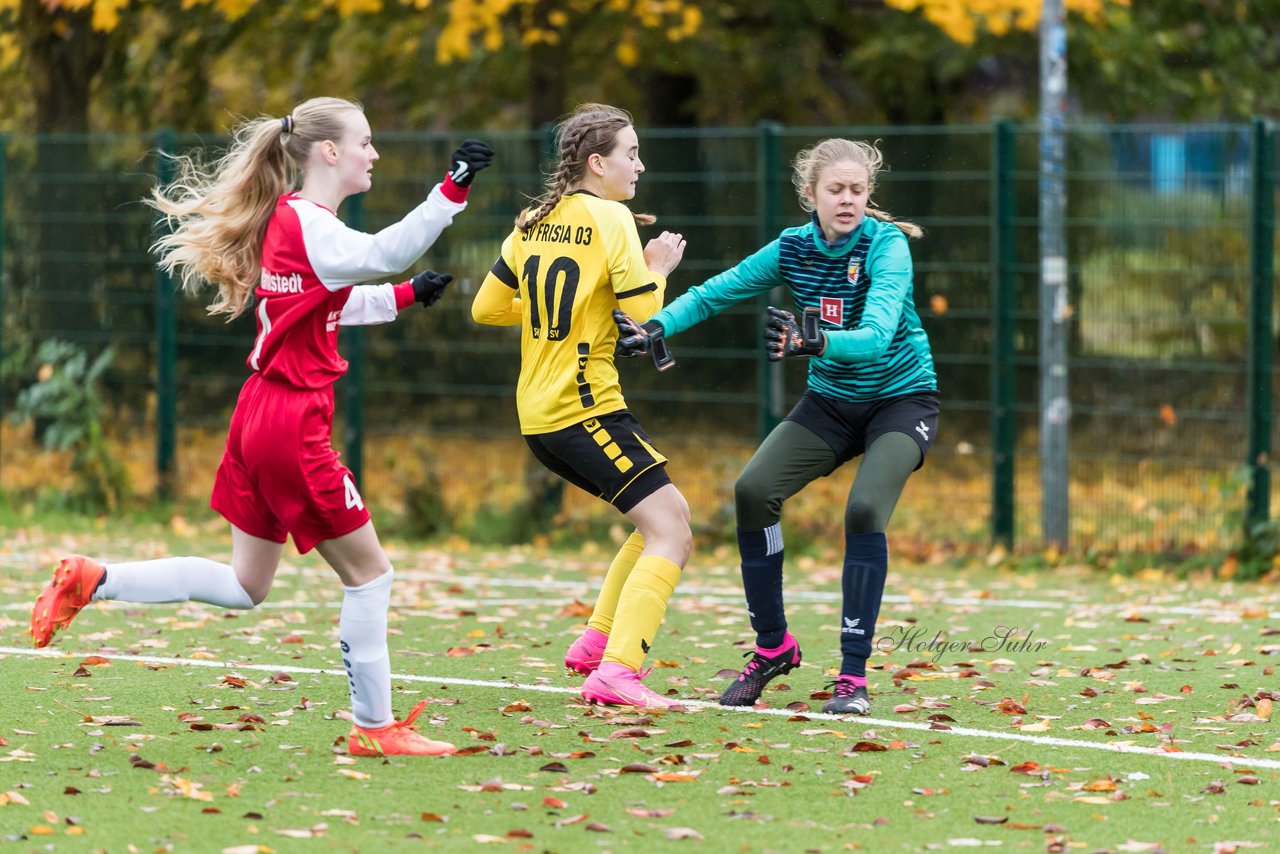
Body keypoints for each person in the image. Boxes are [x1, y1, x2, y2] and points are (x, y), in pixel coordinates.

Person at [29, 96, 494, 756]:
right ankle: (375, 729)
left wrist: (404, 298)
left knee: (247, 585)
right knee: (370, 575)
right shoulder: (316, 225)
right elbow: (386, 249)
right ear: (328, 152)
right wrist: (452, 189)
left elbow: (325, 303)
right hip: (292, 425)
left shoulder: (291, 219)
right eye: (365, 142)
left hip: (258, 414)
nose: (374, 153)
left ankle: (94, 578)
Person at [615, 138, 937, 716]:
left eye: (858, 190)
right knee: (753, 490)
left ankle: (851, 678)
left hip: (901, 402)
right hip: (832, 403)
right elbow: (717, 292)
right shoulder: (794, 247)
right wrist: (658, 326)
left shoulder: (886, 245)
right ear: (809, 194)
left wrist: (816, 340)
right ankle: (772, 648)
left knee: (864, 509)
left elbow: (878, 336)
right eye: (835, 190)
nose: (847, 200)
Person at [470, 103, 690, 711]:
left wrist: (561, 321)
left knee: (665, 515)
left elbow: (485, 309)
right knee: (671, 531)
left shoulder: (533, 219)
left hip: (539, 416)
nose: (640, 167)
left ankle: (596, 643)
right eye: (632, 154)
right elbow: (647, 317)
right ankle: (619, 671)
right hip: (583, 406)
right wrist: (658, 268)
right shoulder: (612, 218)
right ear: (598, 162)